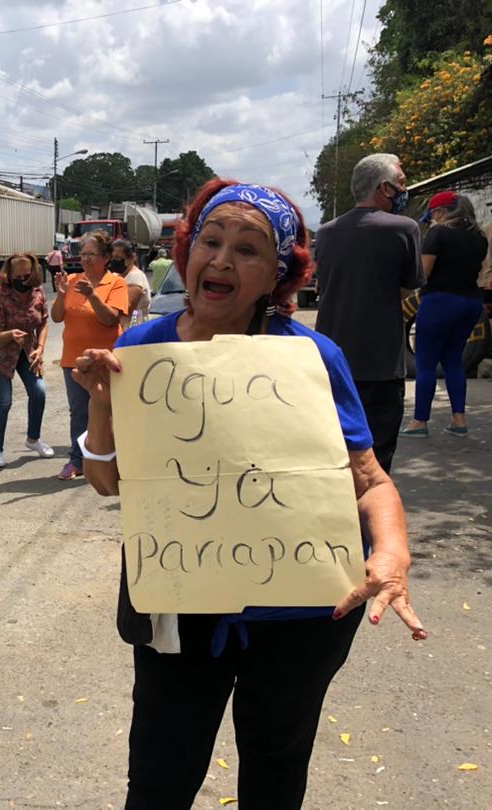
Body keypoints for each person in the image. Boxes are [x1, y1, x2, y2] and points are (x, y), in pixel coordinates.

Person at [73, 179, 427, 810]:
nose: (222, 260)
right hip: (178, 609)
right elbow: (106, 482)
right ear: (187, 253)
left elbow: (370, 480)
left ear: (277, 276)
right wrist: (102, 409)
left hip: (302, 620)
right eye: (210, 241)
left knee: (274, 774)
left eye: (249, 249)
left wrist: (393, 553)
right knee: (159, 780)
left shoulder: (312, 357)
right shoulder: (139, 350)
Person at [315, 153, 423, 473]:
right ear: (384, 188)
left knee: (335, 454)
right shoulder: (404, 229)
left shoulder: (326, 232)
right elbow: (408, 289)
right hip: (381, 365)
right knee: (376, 460)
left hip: (330, 361)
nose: (405, 190)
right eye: (401, 184)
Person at [402, 192, 489, 437]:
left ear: (440, 212)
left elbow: (424, 274)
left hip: (440, 301)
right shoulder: (479, 237)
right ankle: (459, 420)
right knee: (453, 361)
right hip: (471, 303)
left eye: (431, 215)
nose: (430, 220)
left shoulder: (438, 233)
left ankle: (420, 422)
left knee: (426, 362)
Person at [51, 230, 129, 480]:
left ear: (105, 258)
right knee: (79, 411)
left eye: (91, 255)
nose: (84, 259)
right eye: (82, 254)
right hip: (73, 358)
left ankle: (115, 458)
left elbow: (110, 319)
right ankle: (78, 460)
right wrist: (61, 294)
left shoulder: (116, 283)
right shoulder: (72, 280)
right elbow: (56, 317)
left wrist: (92, 296)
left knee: (109, 408)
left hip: (104, 359)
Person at [0, 253, 53, 468]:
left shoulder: (37, 293)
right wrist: (10, 334)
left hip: (26, 351)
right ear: (9, 274)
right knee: (4, 401)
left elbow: (44, 323)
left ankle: (33, 439)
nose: (23, 279)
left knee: (39, 392)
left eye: (27, 274)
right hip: (0, 354)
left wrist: (40, 348)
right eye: (18, 275)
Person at [111, 239, 151, 329]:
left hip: (134, 328)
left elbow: (127, 308)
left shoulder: (135, 276)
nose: (114, 261)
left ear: (131, 258)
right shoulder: (115, 275)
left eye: (118, 257)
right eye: (112, 257)